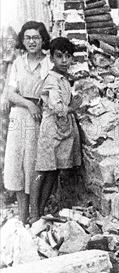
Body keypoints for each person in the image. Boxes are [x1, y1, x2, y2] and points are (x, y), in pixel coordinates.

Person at [3, 21, 51, 224]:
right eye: (28, 38)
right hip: (19, 118)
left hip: (39, 119)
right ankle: (22, 216)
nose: (32, 42)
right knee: (17, 166)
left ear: (42, 40)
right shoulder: (17, 63)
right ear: (23, 41)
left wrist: (37, 106)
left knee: (33, 165)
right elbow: (10, 93)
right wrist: (28, 105)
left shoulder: (48, 63)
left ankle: (35, 214)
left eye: (36, 38)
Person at [30, 37, 82, 222]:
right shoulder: (52, 80)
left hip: (61, 130)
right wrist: (73, 107)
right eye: (59, 56)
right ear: (51, 58)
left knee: (53, 171)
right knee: (43, 170)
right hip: (51, 129)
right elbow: (56, 106)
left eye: (68, 56)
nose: (64, 61)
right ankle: (34, 212)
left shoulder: (63, 79)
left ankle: (41, 211)